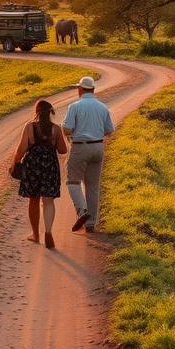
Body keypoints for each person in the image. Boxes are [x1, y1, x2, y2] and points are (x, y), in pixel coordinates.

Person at [11, 99, 68, 249]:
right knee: (48, 200)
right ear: (51, 112)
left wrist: (14, 163)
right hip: (50, 166)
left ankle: (35, 234)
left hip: (33, 166)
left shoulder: (29, 127)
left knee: (34, 199)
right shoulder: (56, 129)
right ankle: (48, 232)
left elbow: (21, 149)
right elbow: (63, 150)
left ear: (36, 112)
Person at [62, 76, 114, 232]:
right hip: (98, 147)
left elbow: (67, 129)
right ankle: (91, 223)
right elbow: (109, 130)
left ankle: (82, 211)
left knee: (73, 181)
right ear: (93, 89)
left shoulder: (74, 107)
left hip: (80, 146)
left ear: (80, 89)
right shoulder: (103, 107)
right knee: (92, 186)